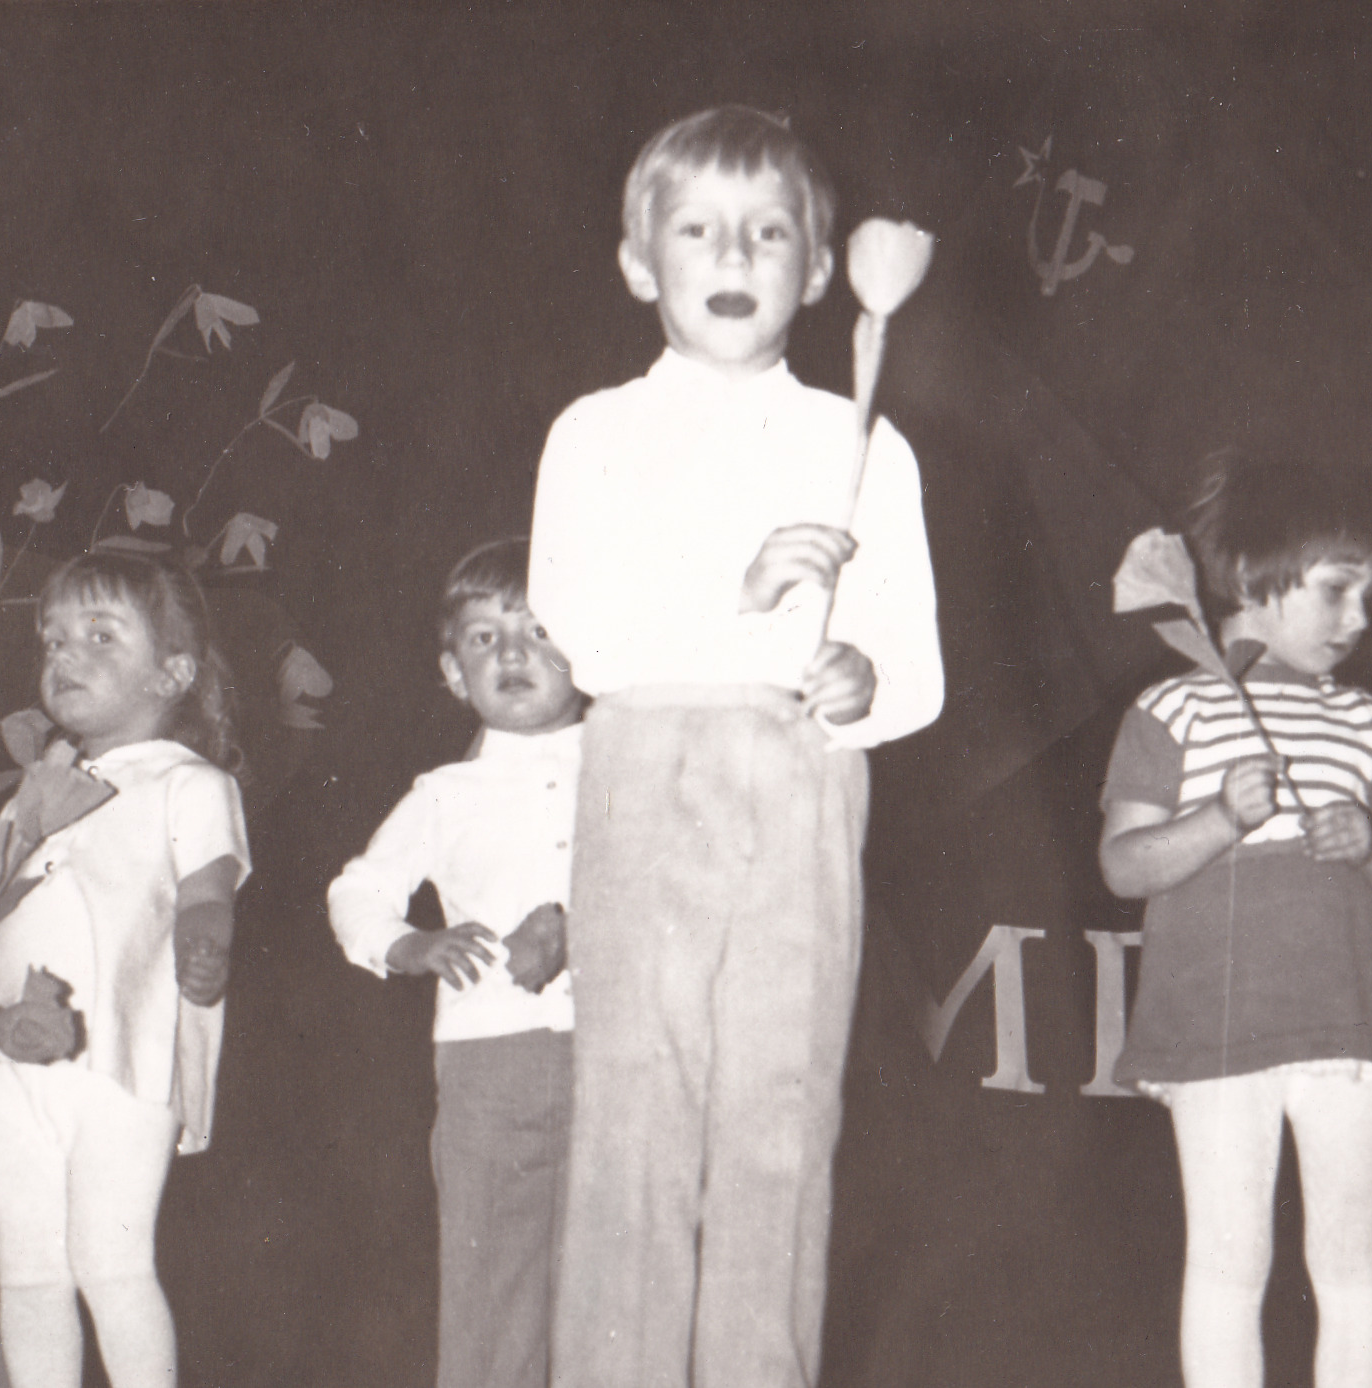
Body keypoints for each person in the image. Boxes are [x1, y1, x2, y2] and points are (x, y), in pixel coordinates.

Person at [526, 105, 942, 1388]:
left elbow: (911, 667)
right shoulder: (594, 430)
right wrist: (744, 593)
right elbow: (581, 637)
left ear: (816, 273)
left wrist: (856, 677)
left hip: (801, 781)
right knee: (635, 1112)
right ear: (637, 262)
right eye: (697, 228)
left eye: (768, 233)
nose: (733, 254)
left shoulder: (860, 440)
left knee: (781, 1114)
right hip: (647, 769)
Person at [1097, 458, 1372, 1388]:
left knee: (1355, 1263)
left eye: (1368, 596)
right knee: (1226, 1262)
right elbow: (1123, 863)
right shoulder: (1168, 709)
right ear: (1254, 577)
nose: (1358, 617)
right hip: (1214, 1022)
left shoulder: (1367, 722)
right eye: (1337, 589)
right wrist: (1219, 818)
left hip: (1349, 1021)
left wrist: (1371, 845)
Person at [0, 551, 248, 1388]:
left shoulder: (190, 783)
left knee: (111, 1263)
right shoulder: (38, 789)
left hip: (124, 1055)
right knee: (28, 1271)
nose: (65, 654)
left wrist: (205, 941)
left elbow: (209, 889)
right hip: (10, 1055)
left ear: (171, 673)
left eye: (100, 635)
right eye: (53, 639)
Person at [328, 538, 581, 1388]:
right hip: (491, 1063)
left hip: (625, 1056)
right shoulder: (443, 794)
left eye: (540, 630)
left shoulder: (629, 765)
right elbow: (358, 890)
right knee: (492, 1292)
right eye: (483, 637)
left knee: (618, 1290)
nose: (511, 653)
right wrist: (410, 945)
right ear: (452, 673)